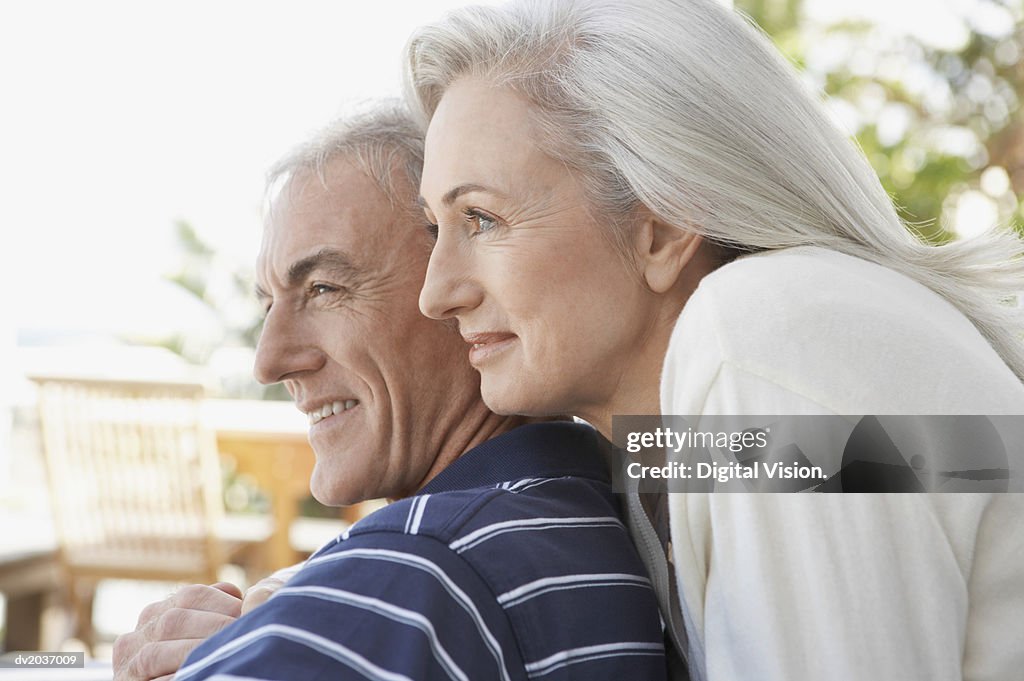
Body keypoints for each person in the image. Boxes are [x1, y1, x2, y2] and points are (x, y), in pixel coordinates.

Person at [406, 1, 1024, 680]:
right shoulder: (683, 438)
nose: (436, 294)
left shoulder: (768, 330)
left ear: (664, 229)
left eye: (483, 218)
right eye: (437, 228)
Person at [112, 103, 668, 681]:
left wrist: (315, 620)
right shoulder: (589, 501)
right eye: (268, 302)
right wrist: (299, 617)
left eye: (325, 288)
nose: (269, 361)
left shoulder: (423, 574)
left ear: (465, 296)